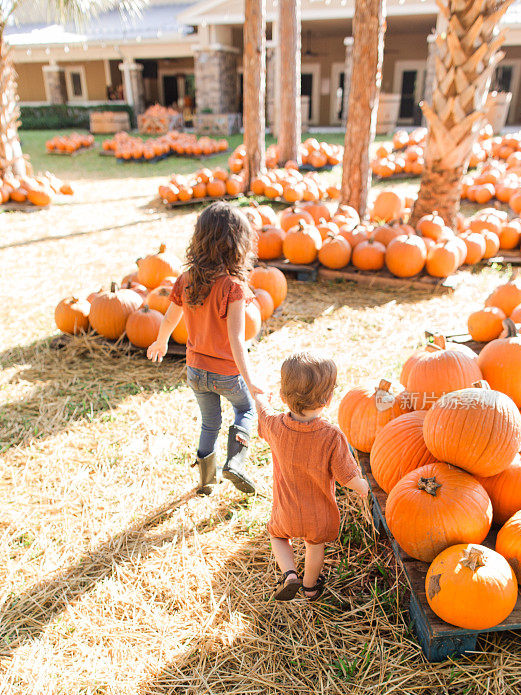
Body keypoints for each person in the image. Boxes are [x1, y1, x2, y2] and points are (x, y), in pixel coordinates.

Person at [147, 202, 263, 495]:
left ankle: (205, 482)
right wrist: (251, 381)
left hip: (195, 371)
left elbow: (170, 316)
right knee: (246, 408)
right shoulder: (232, 287)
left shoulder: (186, 280)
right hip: (225, 372)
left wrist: (161, 341)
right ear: (237, 244)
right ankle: (235, 463)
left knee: (210, 422)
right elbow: (237, 340)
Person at [255, 352, 369, 602]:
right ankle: (310, 588)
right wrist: (363, 486)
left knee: (277, 536)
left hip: (286, 511)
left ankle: (289, 574)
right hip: (319, 515)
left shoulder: (274, 425)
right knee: (314, 546)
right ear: (328, 399)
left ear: (284, 396)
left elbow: (262, 412)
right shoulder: (331, 436)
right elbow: (346, 476)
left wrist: (261, 398)